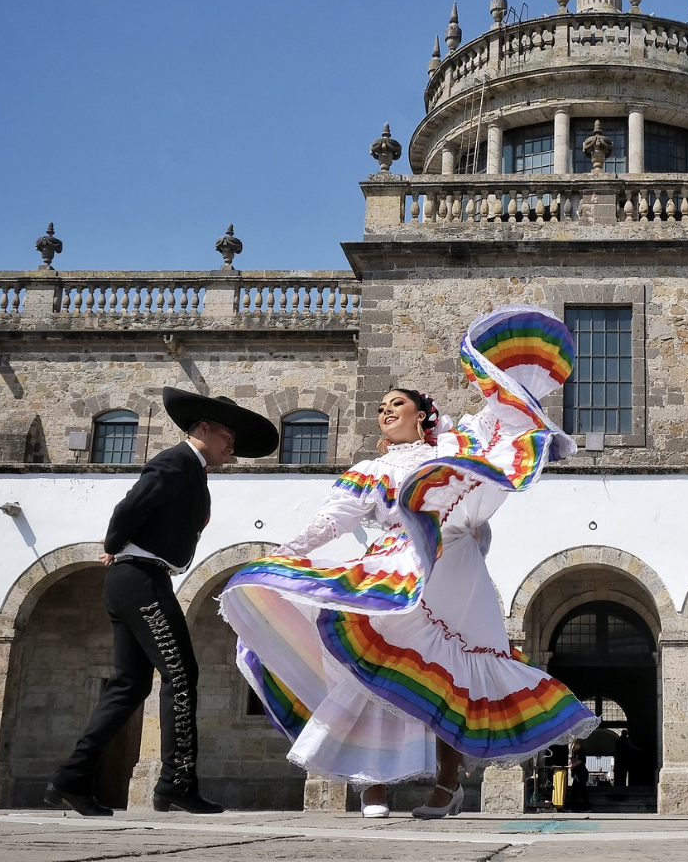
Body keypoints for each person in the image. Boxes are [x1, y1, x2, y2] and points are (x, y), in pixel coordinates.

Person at [219, 306, 599, 819]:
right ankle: (371, 782)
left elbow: (503, 417)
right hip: (397, 565)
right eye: (379, 408)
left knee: (451, 678)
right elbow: (335, 517)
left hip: (455, 565)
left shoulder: (455, 445)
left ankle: (448, 784)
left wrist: (507, 373)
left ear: (422, 414)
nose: (384, 412)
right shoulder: (372, 469)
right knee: (370, 666)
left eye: (395, 404)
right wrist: (288, 553)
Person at [46, 388, 279, 817]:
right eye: (228, 436)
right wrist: (115, 543)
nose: (232, 447)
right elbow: (128, 508)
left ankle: (71, 780)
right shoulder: (176, 462)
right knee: (181, 675)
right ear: (203, 428)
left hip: (137, 579)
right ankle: (177, 782)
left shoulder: (191, 469)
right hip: (140, 580)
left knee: (129, 685)